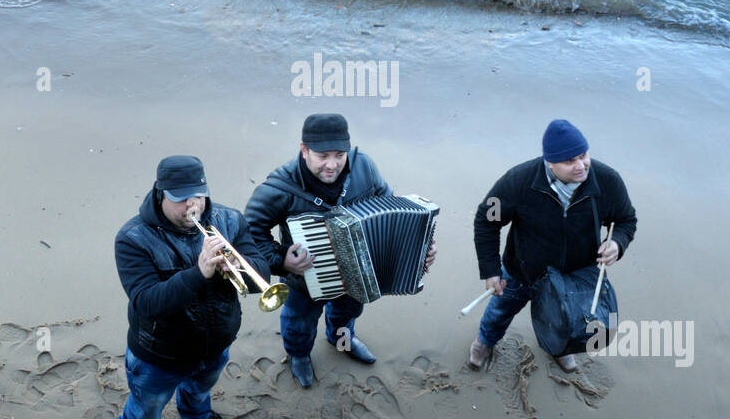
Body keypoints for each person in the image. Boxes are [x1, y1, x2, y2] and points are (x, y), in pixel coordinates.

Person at [244, 113, 435, 388]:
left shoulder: (364, 166)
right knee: (299, 322)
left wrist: (420, 246)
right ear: (304, 150)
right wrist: (282, 260)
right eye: (322, 156)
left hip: (357, 272)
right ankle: (298, 355)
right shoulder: (278, 187)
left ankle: (340, 340)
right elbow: (250, 234)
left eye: (339, 155)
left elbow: (390, 204)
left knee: (348, 311)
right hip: (305, 278)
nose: (331, 165)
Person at [113, 155, 271, 419]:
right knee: (146, 410)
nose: (191, 207)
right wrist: (199, 273)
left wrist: (238, 268)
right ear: (161, 193)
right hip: (159, 355)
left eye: (197, 196)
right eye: (180, 199)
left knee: (201, 390)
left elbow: (261, 271)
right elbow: (147, 302)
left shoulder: (230, 220)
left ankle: (196, 415)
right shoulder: (133, 239)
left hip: (214, 346)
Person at [469, 119, 636, 372]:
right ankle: (484, 342)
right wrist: (491, 270)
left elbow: (626, 220)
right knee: (499, 313)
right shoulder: (518, 181)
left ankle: (560, 348)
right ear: (550, 162)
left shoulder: (607, 180)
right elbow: (486, 220)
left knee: (565, 321)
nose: (581, 166)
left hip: (575, 275)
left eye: (583, 155)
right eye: (570, 161)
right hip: (522, 271)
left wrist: (617, 243)